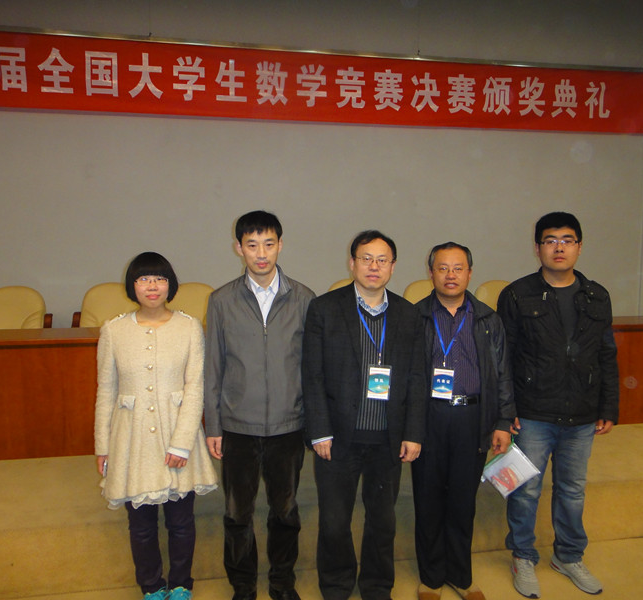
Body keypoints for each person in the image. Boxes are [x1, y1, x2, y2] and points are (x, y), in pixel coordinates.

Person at [497, 212, 619, 598]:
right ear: (537, 248)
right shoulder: (517, 294)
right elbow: (503, 357)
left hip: (581, 413)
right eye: (550, 240)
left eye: (567, 240)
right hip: (533, 412)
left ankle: (568, 555)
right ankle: (523, 555)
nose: (559, 247)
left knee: (572, 489)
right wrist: (506, 410)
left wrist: (609, 407)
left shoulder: (597, 295)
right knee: (525, 489)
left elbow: (606, 354)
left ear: (579, 246)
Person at [302, 230, 426, 600]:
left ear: (393, 267)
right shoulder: (324, 309)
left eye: (382, 260)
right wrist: (319, 430)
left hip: (388, 438)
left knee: (383, 521)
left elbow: (417, 376)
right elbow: (312, 374)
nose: (374, 266)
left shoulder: (408, 314)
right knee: (335, 521)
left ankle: (376, 586)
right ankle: (336, 586)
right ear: (352, 263)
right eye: (366, 258)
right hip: (338, 437)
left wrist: (413, 432)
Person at [94, 251, 218, 600]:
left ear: (170, 285)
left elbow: (195, 388)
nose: (152, 286)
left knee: (181, 521)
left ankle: (180, 584)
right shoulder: (113, 330)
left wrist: (182, 443)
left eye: (160, 279)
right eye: (144, 279)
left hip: (177, 434)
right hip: (130, 439)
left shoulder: (189, 327)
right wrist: (102, 446)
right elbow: (106, 391)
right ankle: (150, 586)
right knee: (141, 524)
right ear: (132, 285)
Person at [204, 210, 315, 600]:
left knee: (285, 512)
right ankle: (244, 586)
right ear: (239, 248)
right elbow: (213, 367)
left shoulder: (304, 299)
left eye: (269, 244)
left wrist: (313, 423)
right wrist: (213, 425)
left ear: (281, 245)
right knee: (238, 514)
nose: (261, 253)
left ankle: (282, 584)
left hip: (288, 425)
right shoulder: (221, 300)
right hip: (238, 427)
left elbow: (311, 368)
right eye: (252, 245)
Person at [412, 242, 516, 600]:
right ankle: (431, 578)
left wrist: (503, 421)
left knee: (462, 500)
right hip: (429, 416)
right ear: (431, 273)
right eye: (443, 268)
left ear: (470, 273)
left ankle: (460, 574)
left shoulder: (488, 319)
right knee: (428, 498)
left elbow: (503, 373)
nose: (450, 275)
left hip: (473, 417)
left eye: (458, 268)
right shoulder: (415, 317)